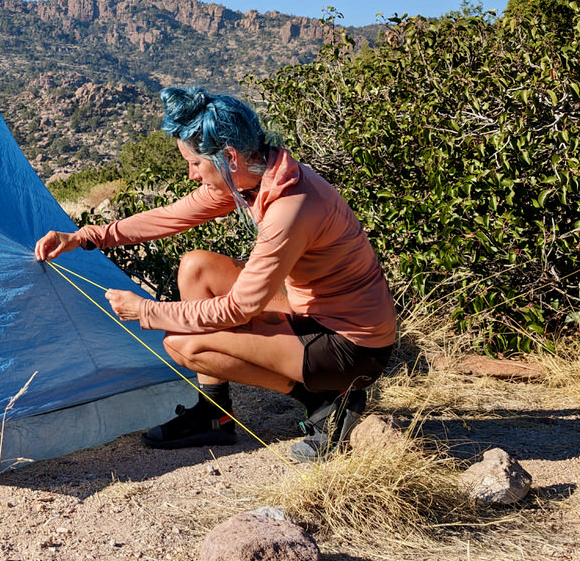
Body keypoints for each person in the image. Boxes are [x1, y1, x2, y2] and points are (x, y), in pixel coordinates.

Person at [33, 88, 397, 462]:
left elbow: (239, 309)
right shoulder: (257, 177)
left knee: (183, 343)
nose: (191, 175)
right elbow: (171, 217)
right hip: (315, 312)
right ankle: (214, 415)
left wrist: (146, 311)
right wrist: (85, 236)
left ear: (229, 157)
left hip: (352, 348)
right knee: (196, 268)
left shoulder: (290, 208)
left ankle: (327, 400)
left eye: (195, 163)